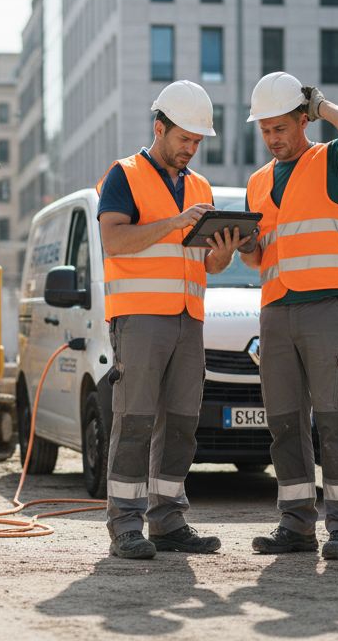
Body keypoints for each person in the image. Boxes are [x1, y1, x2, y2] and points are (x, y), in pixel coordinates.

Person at [97, 80, 251, 560]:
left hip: (189, 320)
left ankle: (167, 520)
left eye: (198, 141)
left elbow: (208, 265)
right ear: (159, 127)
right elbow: (114, 243)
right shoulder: (124, 175)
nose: (191, 148)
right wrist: (175, 222)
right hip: (139, 319)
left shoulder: (200, 187)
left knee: (182, 424)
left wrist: (223, 253)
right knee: (135, 420)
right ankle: (125, 523)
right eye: (185, 138)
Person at [238, 71, 338, 561]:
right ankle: (296, 525)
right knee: (284, 424)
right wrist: (245, 246)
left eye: (281, 127)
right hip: (276, 311)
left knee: (335, 420)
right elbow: (259, 257)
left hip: (325, 309)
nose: (273, 138)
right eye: (265, 130)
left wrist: (325, 107)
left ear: (303, 119)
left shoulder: (333, 162)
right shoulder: (257, 183)